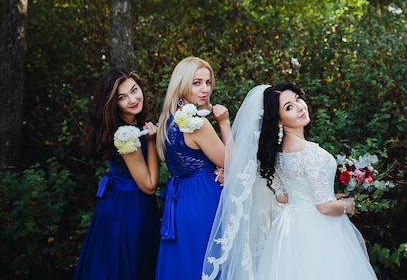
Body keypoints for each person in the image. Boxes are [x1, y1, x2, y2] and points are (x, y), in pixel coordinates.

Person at [202, 83, 378, 280]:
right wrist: (347, 205)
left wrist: (329, 196)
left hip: (289, 229)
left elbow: (283, 196)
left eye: (297, 99)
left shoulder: (276, 155)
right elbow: (324, 208)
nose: (300, 106)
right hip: (318, 230)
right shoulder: (311, 153)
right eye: (289, 107)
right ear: (278, 120)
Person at [73, 68, 160, 280]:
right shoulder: (125, 135)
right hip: (129, 210)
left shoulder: (134, 123)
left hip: (122, 203)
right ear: (113, 103)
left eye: (134, 90)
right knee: (125, 267)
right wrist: (150, 142)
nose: (132, 99)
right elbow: (149, 185)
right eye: (122, 97)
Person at [155, 56, 230, 280]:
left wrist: (221, 165)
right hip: (203, 199)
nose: (204, 89)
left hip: (181, 202)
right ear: (182, 83)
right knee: (206, 264)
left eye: (207, 83)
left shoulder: (167, 120)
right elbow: (234, 162)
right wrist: (224, 122)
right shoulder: (196, 123)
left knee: (186, 264)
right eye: (197, 83)